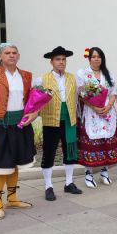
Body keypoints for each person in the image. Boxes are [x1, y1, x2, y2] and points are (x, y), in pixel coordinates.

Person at [0, 43, 37, 219]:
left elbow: (33, 102)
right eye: (7, 53)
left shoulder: (26, 76)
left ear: (18, 56)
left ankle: (12, 198)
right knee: (0, 166)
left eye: (14, 52)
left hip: (20, 127)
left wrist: (33, 114)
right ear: (0, 56)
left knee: (15, 162)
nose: (11, 55)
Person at [39, 46, 83, 200]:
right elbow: (36, 101)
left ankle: (69, 183)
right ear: (51, 62)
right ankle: (48, 186)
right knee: (49, 151)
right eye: (58, 59)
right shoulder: (42, 79)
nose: (61, 62)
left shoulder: (73, 78)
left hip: (69, 119)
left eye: (64, 59)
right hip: (51, 119)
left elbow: (81, 95)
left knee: (70, 150)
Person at [76, 47, 117, 188]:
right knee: (91, 143)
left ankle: (104, 171)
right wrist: (95, 107)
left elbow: (114, 92)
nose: (96, 59)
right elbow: (81, 94)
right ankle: (88, 174)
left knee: (106, 142)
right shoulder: (83, 73)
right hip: (91, 113)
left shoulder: (108, 74)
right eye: (94, 56)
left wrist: (109, 106)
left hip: (107, 112)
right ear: (89, 58)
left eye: (99, 56)